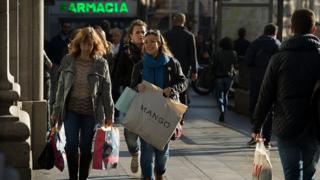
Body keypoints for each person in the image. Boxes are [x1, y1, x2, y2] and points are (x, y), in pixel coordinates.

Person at [251, 9, 320, 180]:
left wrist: (257, 126)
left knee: (291, 173)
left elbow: (265, 95)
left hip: (286, 123)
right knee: (309, 173)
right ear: (313, 29)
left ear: (291, 28)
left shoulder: (279, 58)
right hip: (314, 125)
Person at [51, 27, 114, 180]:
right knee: (71, 145)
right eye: (84, 44)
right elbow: (61, 88)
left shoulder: (101, 63)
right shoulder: (68, 60)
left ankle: (83, 177)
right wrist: (56, 110)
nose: (86, 47)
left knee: (86, 147)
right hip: (71, 110)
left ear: (94, 45)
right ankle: (73, 177)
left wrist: (110, 115)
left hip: (91, 113)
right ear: (78, 44)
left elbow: (107, 91)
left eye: (90, 44)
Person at [130, 29, 188, 180]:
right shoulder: (140, 65)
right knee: (147, 150)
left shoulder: (171, 63)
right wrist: (138, 87)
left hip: (165, 112)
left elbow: (184, 82)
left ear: (160, 43)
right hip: (145, 112)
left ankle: (159, 172)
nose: (149, 44)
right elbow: (131, 87)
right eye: (147, 42)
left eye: (153, 41)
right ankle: (147, 176)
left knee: (162, 151)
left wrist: (173, 89)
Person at [115, 19, 147, 174]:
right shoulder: (126, 54)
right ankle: (135, 153)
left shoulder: (153, 51)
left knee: (149, 136)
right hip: (132, 98)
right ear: (131, 36)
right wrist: (134, 82)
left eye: (143, 32)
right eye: (138, 32)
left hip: (152, 101)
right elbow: (116, 78)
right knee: (130, 135)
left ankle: (147, 170)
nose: (141, 35)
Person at [245, 24, 281, 148]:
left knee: (255, 106)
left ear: (264, 31)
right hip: (272, 81)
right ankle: (266, 140)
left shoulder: (255, 43)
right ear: (275, 33)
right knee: (269, 109)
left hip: (256, 80)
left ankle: (255, 135)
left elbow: (247, 61)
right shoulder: (278, 45)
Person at [164, 13, 198, 105]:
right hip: (184, 69)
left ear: (173, 21)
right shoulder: (189, 36)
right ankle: (181, 115)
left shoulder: (167, 34)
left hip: (168, 67)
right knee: (183, 91)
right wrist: (194, 71)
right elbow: (192, 54)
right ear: (184, 21)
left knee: (169, 90)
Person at [47, 21, 72, 109]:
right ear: (61, 27)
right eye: (65, 26)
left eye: (68, 27)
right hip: (56, 65)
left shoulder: (71, 41)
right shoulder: (55, 40)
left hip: (67, 67)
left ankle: (64, 103)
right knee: (55, 85)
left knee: (66, 84)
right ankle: (55, 103)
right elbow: (49, 53)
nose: (67, 29)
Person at [213, 37, 237, 122]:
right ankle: (224, 112)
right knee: (225, 95)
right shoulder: (233, 53)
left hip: (219, 77)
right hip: (229, 77)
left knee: (219, 96)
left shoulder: (218, 53)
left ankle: (221, 110)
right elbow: (235, 65)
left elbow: (214, 65)